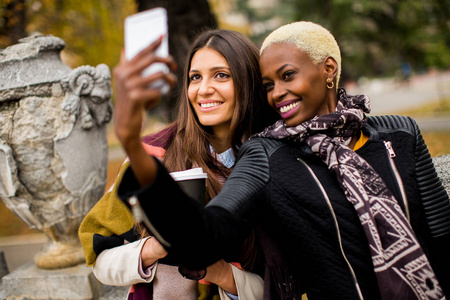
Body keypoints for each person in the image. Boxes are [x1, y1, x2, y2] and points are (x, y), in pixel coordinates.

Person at [113, 21, 450, 299]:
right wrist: (132, 143)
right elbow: (204, 238)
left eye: (287, 75)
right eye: (268, 84)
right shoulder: (267, 155)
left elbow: (442, 234)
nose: (276, 93)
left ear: (328, 69)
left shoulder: (400, 133)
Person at [78, 29, 279, 299]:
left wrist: (222, 274)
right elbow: (100, 261)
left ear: (249, 81)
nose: (204, 89)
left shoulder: (276, 161)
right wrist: (153, 248)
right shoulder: (154, 154)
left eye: (221, 75)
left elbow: (289, 285)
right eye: (195, 77)